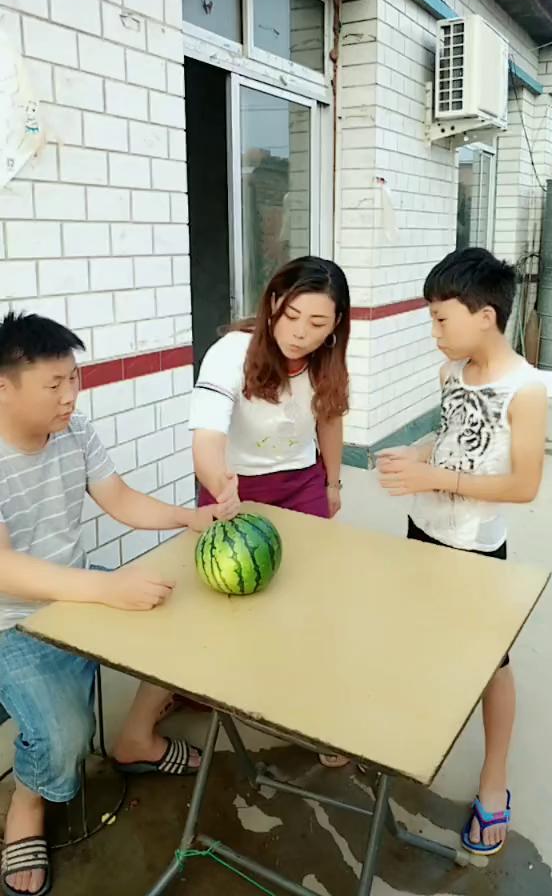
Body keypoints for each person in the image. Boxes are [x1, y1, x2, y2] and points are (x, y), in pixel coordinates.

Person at [0, 313, 231, 896]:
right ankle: (27, 803)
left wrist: (188, 517)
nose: (70, 396)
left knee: (184, 623)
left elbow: (119, 498)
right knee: (64, 737)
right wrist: (107, 589)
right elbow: (4, 571)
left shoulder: (75, 432)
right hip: (11, 621)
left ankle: (136, 740)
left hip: (77, 589)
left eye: (74, 378)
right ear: (4, 386)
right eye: (54, 384)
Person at [378, 248, 547, 857]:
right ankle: (410, 738)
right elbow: (448, 434)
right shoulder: (451, 372)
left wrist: (435, 477)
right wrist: (417, 455)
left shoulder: (526, 389)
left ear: (485, 315)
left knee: (491, 666)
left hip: (477, 546)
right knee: (421, 636)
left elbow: (524, 485)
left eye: (440, 318)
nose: (434, 331)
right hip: (424, 529)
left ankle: (493, 783)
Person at [189, 256, 351, 766]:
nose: (301, 333)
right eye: (292, 315)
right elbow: (207, 435)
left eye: (318, 323)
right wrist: (219, 484)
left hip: (301, 483)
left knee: (312, 593)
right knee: (230, 600)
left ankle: (313, 711)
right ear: (274, 303)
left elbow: (329, 419)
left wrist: (331, 482)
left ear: (336, 325)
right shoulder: (231, 352)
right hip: (234, 486)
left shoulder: (326, 360)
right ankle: (217, 683)